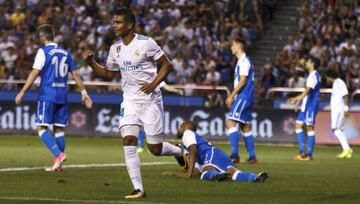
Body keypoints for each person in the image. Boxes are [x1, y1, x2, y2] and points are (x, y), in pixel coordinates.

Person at [82, 8, 184, 199]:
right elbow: (108, 73)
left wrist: (154, 84)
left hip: (150, 100)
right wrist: (91, 62)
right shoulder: (115, 48)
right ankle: (139, 189)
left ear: (129, 25)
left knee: (155, 148)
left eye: (118, 22)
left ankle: (178, 152)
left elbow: (167, 64)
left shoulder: (146, 43)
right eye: (114, 22)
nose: (114, 25)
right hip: (129, 101)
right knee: (128, 141)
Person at [15, 24, 93, 171]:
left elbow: (34, 73)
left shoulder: (43, 52)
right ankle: (59, 165)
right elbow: (75, 74)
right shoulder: (65, 53)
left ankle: (58, 155)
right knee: (59, 129)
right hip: (63, 95)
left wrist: (22, 92)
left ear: (42, 37)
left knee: (41, 127)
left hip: (48, 94)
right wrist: (84, 93)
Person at [162, 121, 268, 183]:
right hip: (220, 155)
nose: (178, 128)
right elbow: (196, 170)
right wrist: (175, 174)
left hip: (210, 154)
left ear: (186, 127)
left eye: (180, 126)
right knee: (234, 174)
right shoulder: (193, 140)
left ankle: (216, 175)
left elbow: (193, 149)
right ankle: (255, 177)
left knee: (205, 173)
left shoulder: (188, 133)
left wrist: (187, 175)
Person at [225, 38, 257, 164]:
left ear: (238, 46)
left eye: (232, 45)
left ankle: (234, 155)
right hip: (246, 97)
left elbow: (243, 80)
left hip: (244, 96)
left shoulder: (244, 61)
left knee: (230, 123)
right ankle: (252, 157)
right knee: (245, 127)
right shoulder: (242, 61)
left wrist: (231, 95)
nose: (231, 47)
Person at [288, 56, 321, 161]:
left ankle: (309, 155)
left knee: (310, 128)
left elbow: (307, 90)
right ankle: (302, 152)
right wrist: (299, 101)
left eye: (308, 62)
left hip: (311, 105)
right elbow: (307, 92)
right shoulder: (311, 75)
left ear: (312, 64)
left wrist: (296, 98)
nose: (306, 63)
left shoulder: (314, 75)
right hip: (306, 105)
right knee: (298, 125)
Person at [137, 81, 183, 153]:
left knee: (153, 130)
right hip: (140, 107)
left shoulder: (154, 76)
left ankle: (155, 145)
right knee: (140, 127)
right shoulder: (137, 76)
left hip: (153, 108)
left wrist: (176, 90)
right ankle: (140, 146)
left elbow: (165, 86)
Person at [325, 69, 353, 158]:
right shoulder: (336, 83)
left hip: (339, 110)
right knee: (339, 129)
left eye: (326, 76)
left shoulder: (339, 82)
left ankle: (346, 149)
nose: (326, 79)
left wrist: (346, 108)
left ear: (329, 76)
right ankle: (347, 150)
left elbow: (345, 95)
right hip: (336, 110)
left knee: (335, 129)